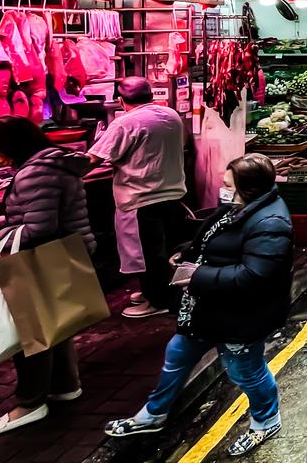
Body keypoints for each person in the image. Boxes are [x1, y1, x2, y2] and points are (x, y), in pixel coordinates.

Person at [105, 154, 293, 456]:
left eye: (228, 185)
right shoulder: (237, 208)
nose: (223, 189)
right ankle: (153, 415)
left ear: (249, 188)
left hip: (241, 315)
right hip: (209, 309)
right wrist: (186, 253)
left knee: (246, 372)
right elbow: (210, 239)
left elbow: (254, 276)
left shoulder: (270, 223)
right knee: (177, 353)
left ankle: (266, 420)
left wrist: (197, 276)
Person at [0, 117, 94, 437]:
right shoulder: (55, 163)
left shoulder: (35, 172)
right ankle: (66, 385)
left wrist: (0, 238)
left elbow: (40, 228)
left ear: (14, 145)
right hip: (64, 253)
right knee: (56, 325)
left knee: (31, 334)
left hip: (41, 258)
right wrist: (3, 222)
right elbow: (35, 214)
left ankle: (29, 404)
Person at [88, 77, 186, 319]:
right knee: (161, 252)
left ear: (120, 101)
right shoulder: (171, 114)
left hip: (141, 198)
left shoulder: (125, 123)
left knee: (145, 256)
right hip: (172, 193)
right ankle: (157, 292)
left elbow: (94, 158)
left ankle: (158, 301)